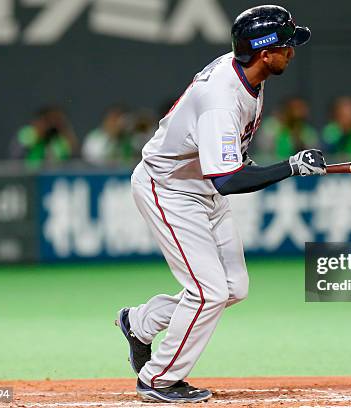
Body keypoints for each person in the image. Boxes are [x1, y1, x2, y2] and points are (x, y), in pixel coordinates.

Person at [116, 5, 325, 403]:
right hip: (171, 190)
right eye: (286, 45)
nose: (292, 52)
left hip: (200, 188)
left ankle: (140, 322)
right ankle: (157, 379)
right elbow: (228, 180)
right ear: (264, 54)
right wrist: (291, 167)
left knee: (233, 287)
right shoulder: (221, 101)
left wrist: (288, 167)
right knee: (208, 291)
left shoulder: (245, 72)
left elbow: (222, 174)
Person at [11, 106, 78, 167]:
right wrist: (38, 135)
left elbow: (71, 156)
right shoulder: (28, 133)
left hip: (53, 176)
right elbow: (16, 156)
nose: (52, 124)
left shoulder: (60, 139)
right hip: (28, 176)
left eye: (57, 121)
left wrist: (65, 132)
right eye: (49, 121)